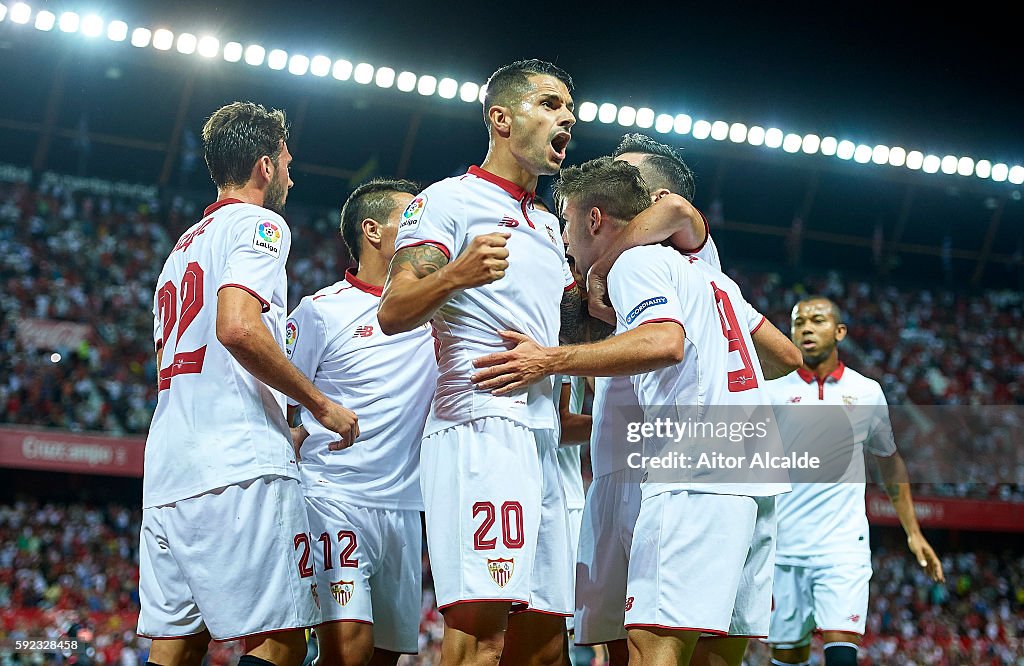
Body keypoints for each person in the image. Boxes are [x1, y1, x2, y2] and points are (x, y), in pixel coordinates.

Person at [471, 156, 802, 665]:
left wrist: (549, 358)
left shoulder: (638, 262)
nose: (563, 235)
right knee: (712, 651)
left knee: (650, 647)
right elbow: (787, 359)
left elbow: (664, 340)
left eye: (567, 220)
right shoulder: (716, 279)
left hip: (686, 468)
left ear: (597, 218)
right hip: (751, 469)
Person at [138, 101, 358, 666]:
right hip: (237, 462)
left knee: (177, 644)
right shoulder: (260, 224)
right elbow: (236, 326)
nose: (291, 172)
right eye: (286, 161)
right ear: (264, 166)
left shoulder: (180, 248)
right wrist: (319, 405)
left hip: (168, 471)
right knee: (280, 639)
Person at [285, 179, 437, 666]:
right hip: (334, 497)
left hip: (404, 506)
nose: (423, 231)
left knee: (385, 656)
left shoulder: (439, 312)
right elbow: (278, 398)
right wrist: (304, 430)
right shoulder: (320, 311)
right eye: (409, 220)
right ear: (372, 231)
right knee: (346, 650)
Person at [762, 297, 945, 666]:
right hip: (783, 549)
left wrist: (913, 532)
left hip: (843, 547)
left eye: (817, 320)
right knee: (789, 655)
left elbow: (889, 464)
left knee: (842, 652)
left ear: (840, 331)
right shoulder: (771, 392)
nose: (807, 328)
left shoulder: (866, 392)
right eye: (799, 323)